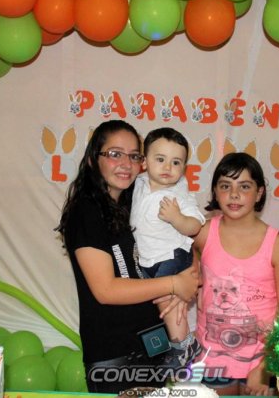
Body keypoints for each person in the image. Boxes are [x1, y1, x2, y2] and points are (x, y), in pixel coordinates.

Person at [56, 120, 200, 394]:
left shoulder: (136, 199)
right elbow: (106, 290)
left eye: (134, 156)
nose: (126, 163)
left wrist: (187, 275)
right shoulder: (86, 211)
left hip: (154, 344)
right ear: (93, 158)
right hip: (115, 354)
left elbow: (187, 237)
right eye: (115, 154)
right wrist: (174, 284)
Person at [193, 152, 279, 396]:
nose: (234, 194)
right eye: (225, 186)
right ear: (215, 192)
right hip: (212, 360)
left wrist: (265, 367)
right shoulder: (201, 233)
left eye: (244, 186)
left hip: (262, 360)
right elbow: (185, 273)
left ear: (259, 193)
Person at [131, 127, 206, 369]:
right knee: (156, 305)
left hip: (172, 256)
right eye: (160, 159)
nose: (167, 167)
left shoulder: (178, 195)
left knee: (167, 302)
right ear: (145, 161)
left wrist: (177, 218)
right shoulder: (139, 183)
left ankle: (184, 345)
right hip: (148, 258)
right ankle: (167, 346)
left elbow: (195, 225)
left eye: (176, 162)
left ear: (184, 167)